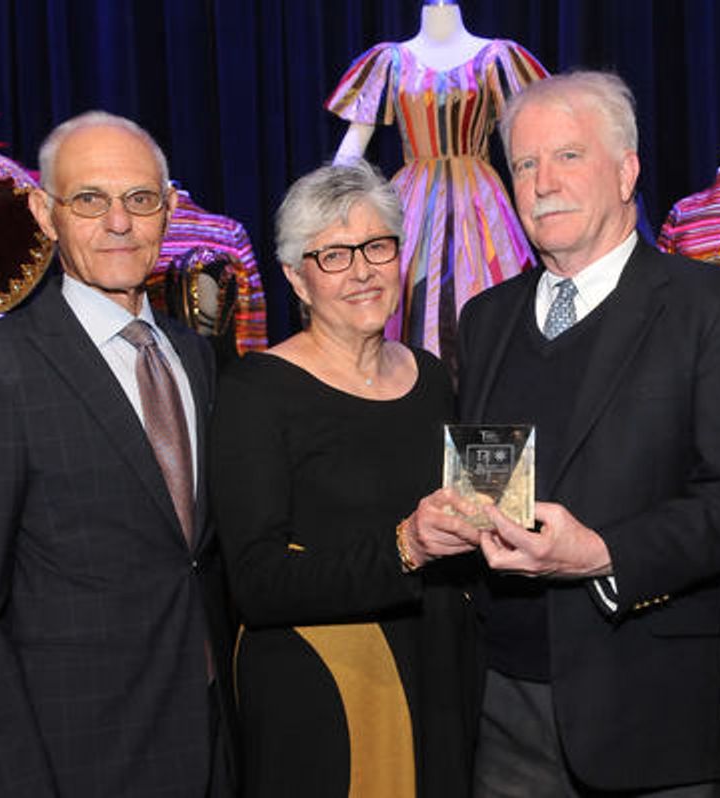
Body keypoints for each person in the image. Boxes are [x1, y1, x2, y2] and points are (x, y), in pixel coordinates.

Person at [457, 70, 720, 797]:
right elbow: (489, 483)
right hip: (502, 707)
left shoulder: (713, 307)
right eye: (525, 164)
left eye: (568, 156)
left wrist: (602, 553)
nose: (543, 183)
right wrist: (458, 518)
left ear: (628, 171)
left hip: (649, 713)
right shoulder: (485, 319)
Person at [0, 111, 235, 798]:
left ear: (168, 210)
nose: (119, 223)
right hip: (78, 754)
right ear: (46, 213)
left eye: (140, 199)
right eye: (90, 200)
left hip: (210, 740)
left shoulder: (194, 356)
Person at [209, 159, 481, 797]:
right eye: (333, 255)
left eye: (377, 246)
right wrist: (403, 548)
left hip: (440, 671)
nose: (362, 271)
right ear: (296, 280)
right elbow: (257, 584)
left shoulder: (431, 376)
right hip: (325, 693)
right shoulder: (256, 393)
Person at [327, 0, 547, 367]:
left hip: (479, 201)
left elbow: (527, 139)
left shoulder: (495, 57)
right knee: (408, 301)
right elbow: (353, 144)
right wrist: (331, 208)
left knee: (492, 295)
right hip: (413, 201)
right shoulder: (391, 61)